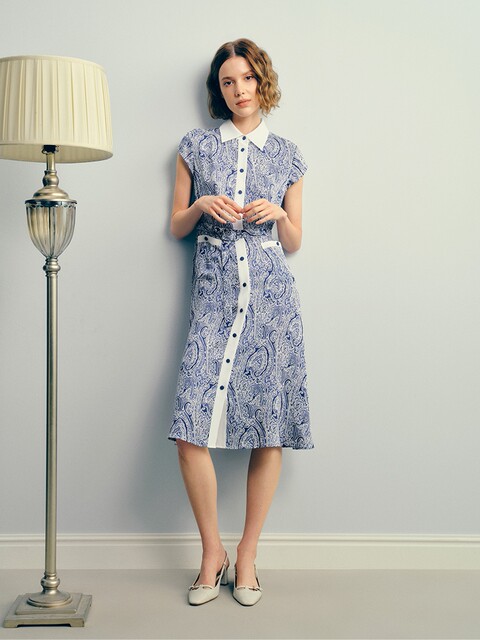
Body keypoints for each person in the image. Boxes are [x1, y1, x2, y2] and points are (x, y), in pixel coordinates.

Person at [168, 38, 314, 606]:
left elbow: (295, 240)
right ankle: (213, 554)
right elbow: (176, 225)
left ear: (262, 81)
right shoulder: (195, 147)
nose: (239, 90)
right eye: (228, 82)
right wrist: (200, 206)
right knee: (189, 430)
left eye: (247, 78)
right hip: (214, 300)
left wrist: (278, 214)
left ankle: (248, 556)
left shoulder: (289, 154)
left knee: (267, 429)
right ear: (219, 90)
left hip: (272, 303)